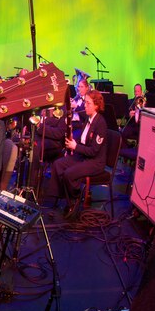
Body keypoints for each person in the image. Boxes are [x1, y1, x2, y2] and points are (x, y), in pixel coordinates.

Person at [48, 89, 108, 218]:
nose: (84, 105)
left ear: (96, 105)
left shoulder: (100, 124)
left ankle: (74, 200)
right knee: (58, 164)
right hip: (84, 156)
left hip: (95, 162)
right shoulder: (88, 119)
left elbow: (93, 151)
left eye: (88, 103)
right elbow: (83, 140)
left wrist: (75, 147)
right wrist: (72, 146)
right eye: (85, 102)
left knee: (69, 174)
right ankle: (60, 198)